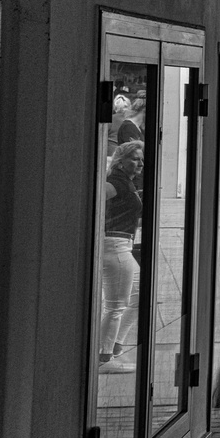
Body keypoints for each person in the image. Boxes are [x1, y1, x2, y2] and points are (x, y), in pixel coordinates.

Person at [98, 141, 144, 373]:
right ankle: (103, 360)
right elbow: (97, 198)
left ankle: (114, 348)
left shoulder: (125, 182)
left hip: (120, 245)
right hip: (115, 246)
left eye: (141, 159)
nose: (140, 163)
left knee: (138, 298)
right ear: (121, 159)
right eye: (135, 158)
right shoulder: (116, 181)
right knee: (116, 306)